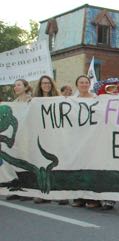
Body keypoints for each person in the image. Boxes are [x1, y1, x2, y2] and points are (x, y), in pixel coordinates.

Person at [70, 75, 99, 208]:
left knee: (91, 167)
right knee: (78, 166)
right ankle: (79, 196)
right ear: (77, 85)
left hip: (92, 138)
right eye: (81, 82)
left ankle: (93, 198)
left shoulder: (96, 99)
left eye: (86, 82)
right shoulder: (71, 100)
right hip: (77, 138)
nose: (84, 84)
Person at [31, 75, 61, 204]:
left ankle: (60, 194)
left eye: (48, 83)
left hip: (55, 135)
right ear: (40, 85)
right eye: (43, 83)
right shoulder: (34, 100)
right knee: (41, 164)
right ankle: (42, 192)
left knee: (58, 164)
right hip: (40, 135)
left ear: (52, 84)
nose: (46, 85)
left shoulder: (59, 99)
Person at [4, 79, 33, 201]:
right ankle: (19, 188)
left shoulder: (31, 101)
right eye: (15, 85)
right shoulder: (14, 102)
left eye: (19, 85)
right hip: (17, 137)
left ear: (26, 87)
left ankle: (29, 190)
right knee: (17, 162)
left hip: (29, 136)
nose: (16, 87)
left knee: (28, 162)